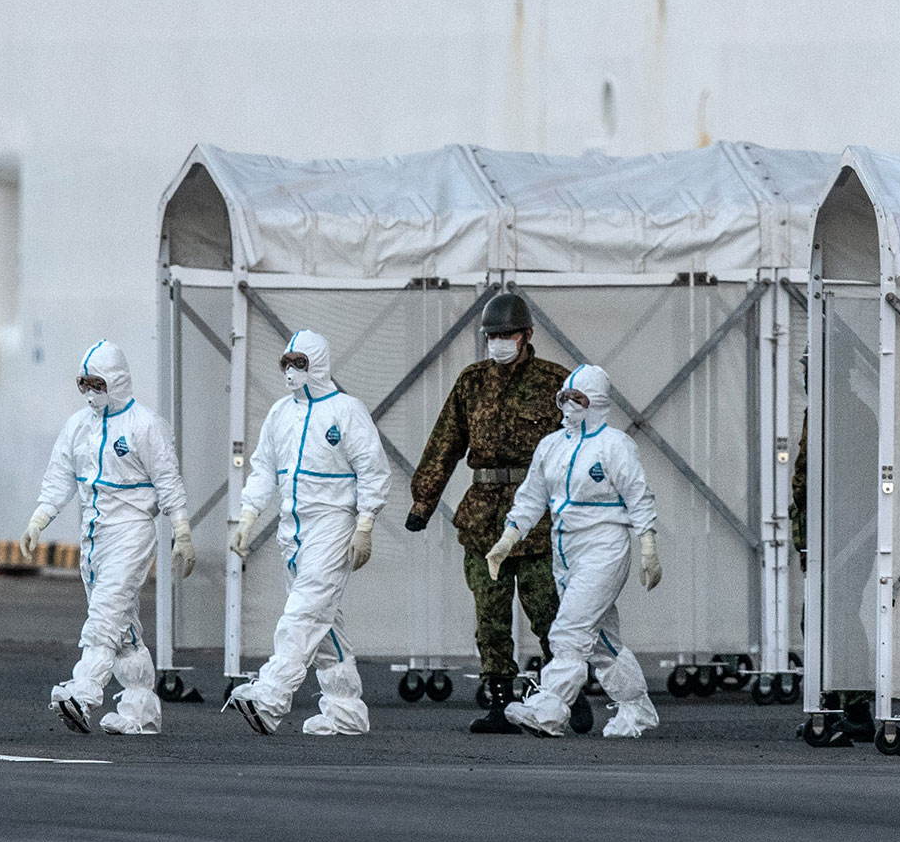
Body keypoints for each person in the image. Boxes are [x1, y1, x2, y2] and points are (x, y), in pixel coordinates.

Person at [406, 291, 566, 731]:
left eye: (506, 334)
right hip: (482, 518)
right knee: (490, 617)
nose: (498, 342)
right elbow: (446, 443)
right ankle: (499, 702)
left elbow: (577, 448)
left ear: (527, 335)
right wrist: (424, 501)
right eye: (492, 335)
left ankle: (563, 693)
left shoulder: (556, 383)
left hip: (537, 518)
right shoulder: (471, 382)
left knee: (549, 612)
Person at [223, 327, 391, 737]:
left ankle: (272, 694)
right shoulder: (281, 413)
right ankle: (346, 709)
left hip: (333, 523)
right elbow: (264, 469)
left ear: (317, 365)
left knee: (303, 612)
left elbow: (373, 469)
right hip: (292, 528)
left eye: (300, 364)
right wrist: (247, 517)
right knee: (323, 619)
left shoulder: (346, 411)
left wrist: (364, 524)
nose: (291, 372)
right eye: (287, 364)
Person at [25, 337, 192, 735]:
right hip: (93, 535)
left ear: (116, 382)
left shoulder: (146, 426)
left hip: (131, 532)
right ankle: (139, 710)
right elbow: (59, 476)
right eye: (84, 385)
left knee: (104, 617)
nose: (90, 393)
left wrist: (181, 529)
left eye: (98, 385)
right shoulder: (78, 426)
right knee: (124, 630)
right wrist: (39, 518)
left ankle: (83, 693)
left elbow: (168, 479)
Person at [488, 364, 662, 739]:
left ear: (597, 402)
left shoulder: (615, 445)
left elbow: (638, 496)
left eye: (577, 398)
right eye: (564, 398)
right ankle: (636, 708)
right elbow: (531, 498)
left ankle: (550, 708)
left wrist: (647, 544)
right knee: (601, 642)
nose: (568, 406)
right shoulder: (551, 446)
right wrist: (507, 539)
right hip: (565, 549)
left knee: (569, 630)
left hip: (605, 547)